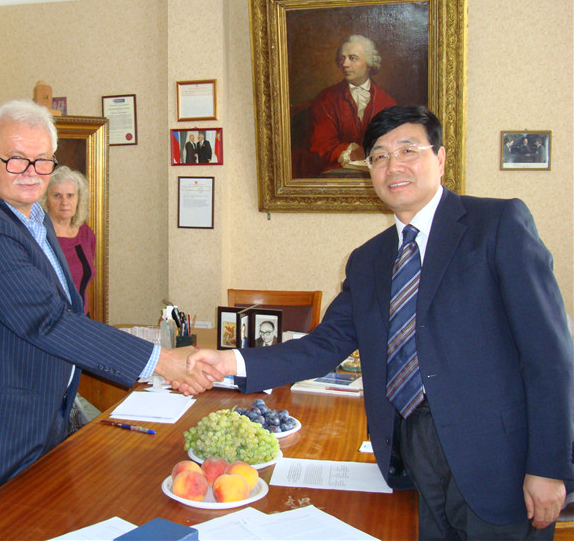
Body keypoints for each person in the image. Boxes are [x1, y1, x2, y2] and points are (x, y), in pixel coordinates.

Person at [188, 106, 574, 539]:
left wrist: (548, 467)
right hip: (410, 453)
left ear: (440, 158)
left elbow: (550, 356)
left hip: (498, 460)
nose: (394, 166)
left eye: (408, 150)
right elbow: (325, 345)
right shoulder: (369, 259)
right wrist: (231, 362)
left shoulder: (497, 225)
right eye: (379, 156)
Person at [0, 99, 212, 511]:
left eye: (43, 160)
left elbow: (67, 309)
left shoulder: (32, 217)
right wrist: (163, 361)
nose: (31, 172)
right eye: (16, 159)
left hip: (39, 422)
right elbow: (49, 322)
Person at [292, 34, 396, 178]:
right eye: (342, 58)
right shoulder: (326, 99)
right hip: (335, 176)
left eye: (352, 58)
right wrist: (350, 151)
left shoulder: (387, 102)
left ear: (369, 63)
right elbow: (320, 145)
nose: (345, 64)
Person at [40, 166, 95, 315]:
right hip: (48, 320)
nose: (64, 202)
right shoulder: (38, 233)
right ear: (46, 199)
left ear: (78, 199)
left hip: (82, 318)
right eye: (57, 195)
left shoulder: (86, 234)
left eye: (70, 195)